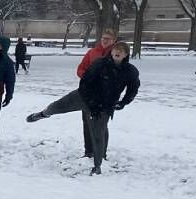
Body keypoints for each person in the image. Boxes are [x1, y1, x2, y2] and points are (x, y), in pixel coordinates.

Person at [27, 42, 139, 174]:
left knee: (98, 134)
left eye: (121, 51)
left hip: (104, 106)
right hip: (83, 97)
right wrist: (92, 104)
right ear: (111, 51)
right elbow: (85, 83)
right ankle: (42, 114)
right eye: (115, 49)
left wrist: (124, 102)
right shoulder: (100, 63)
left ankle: (97, 166)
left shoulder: (130, 71)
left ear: (126, 54)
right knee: (57, 106)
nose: (117, 52)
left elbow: (133, 89)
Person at [75, 30, 117, 158]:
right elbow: (80, 69)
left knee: (101, 125)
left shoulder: (116, 54)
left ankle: (101, 153)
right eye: (104, 38)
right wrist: (88, 77)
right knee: (87, 123)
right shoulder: (92, 53)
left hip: (105, 96)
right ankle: (89, 151)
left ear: (113, 41)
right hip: (88, 93)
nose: (105, 40)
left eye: (108, 39)